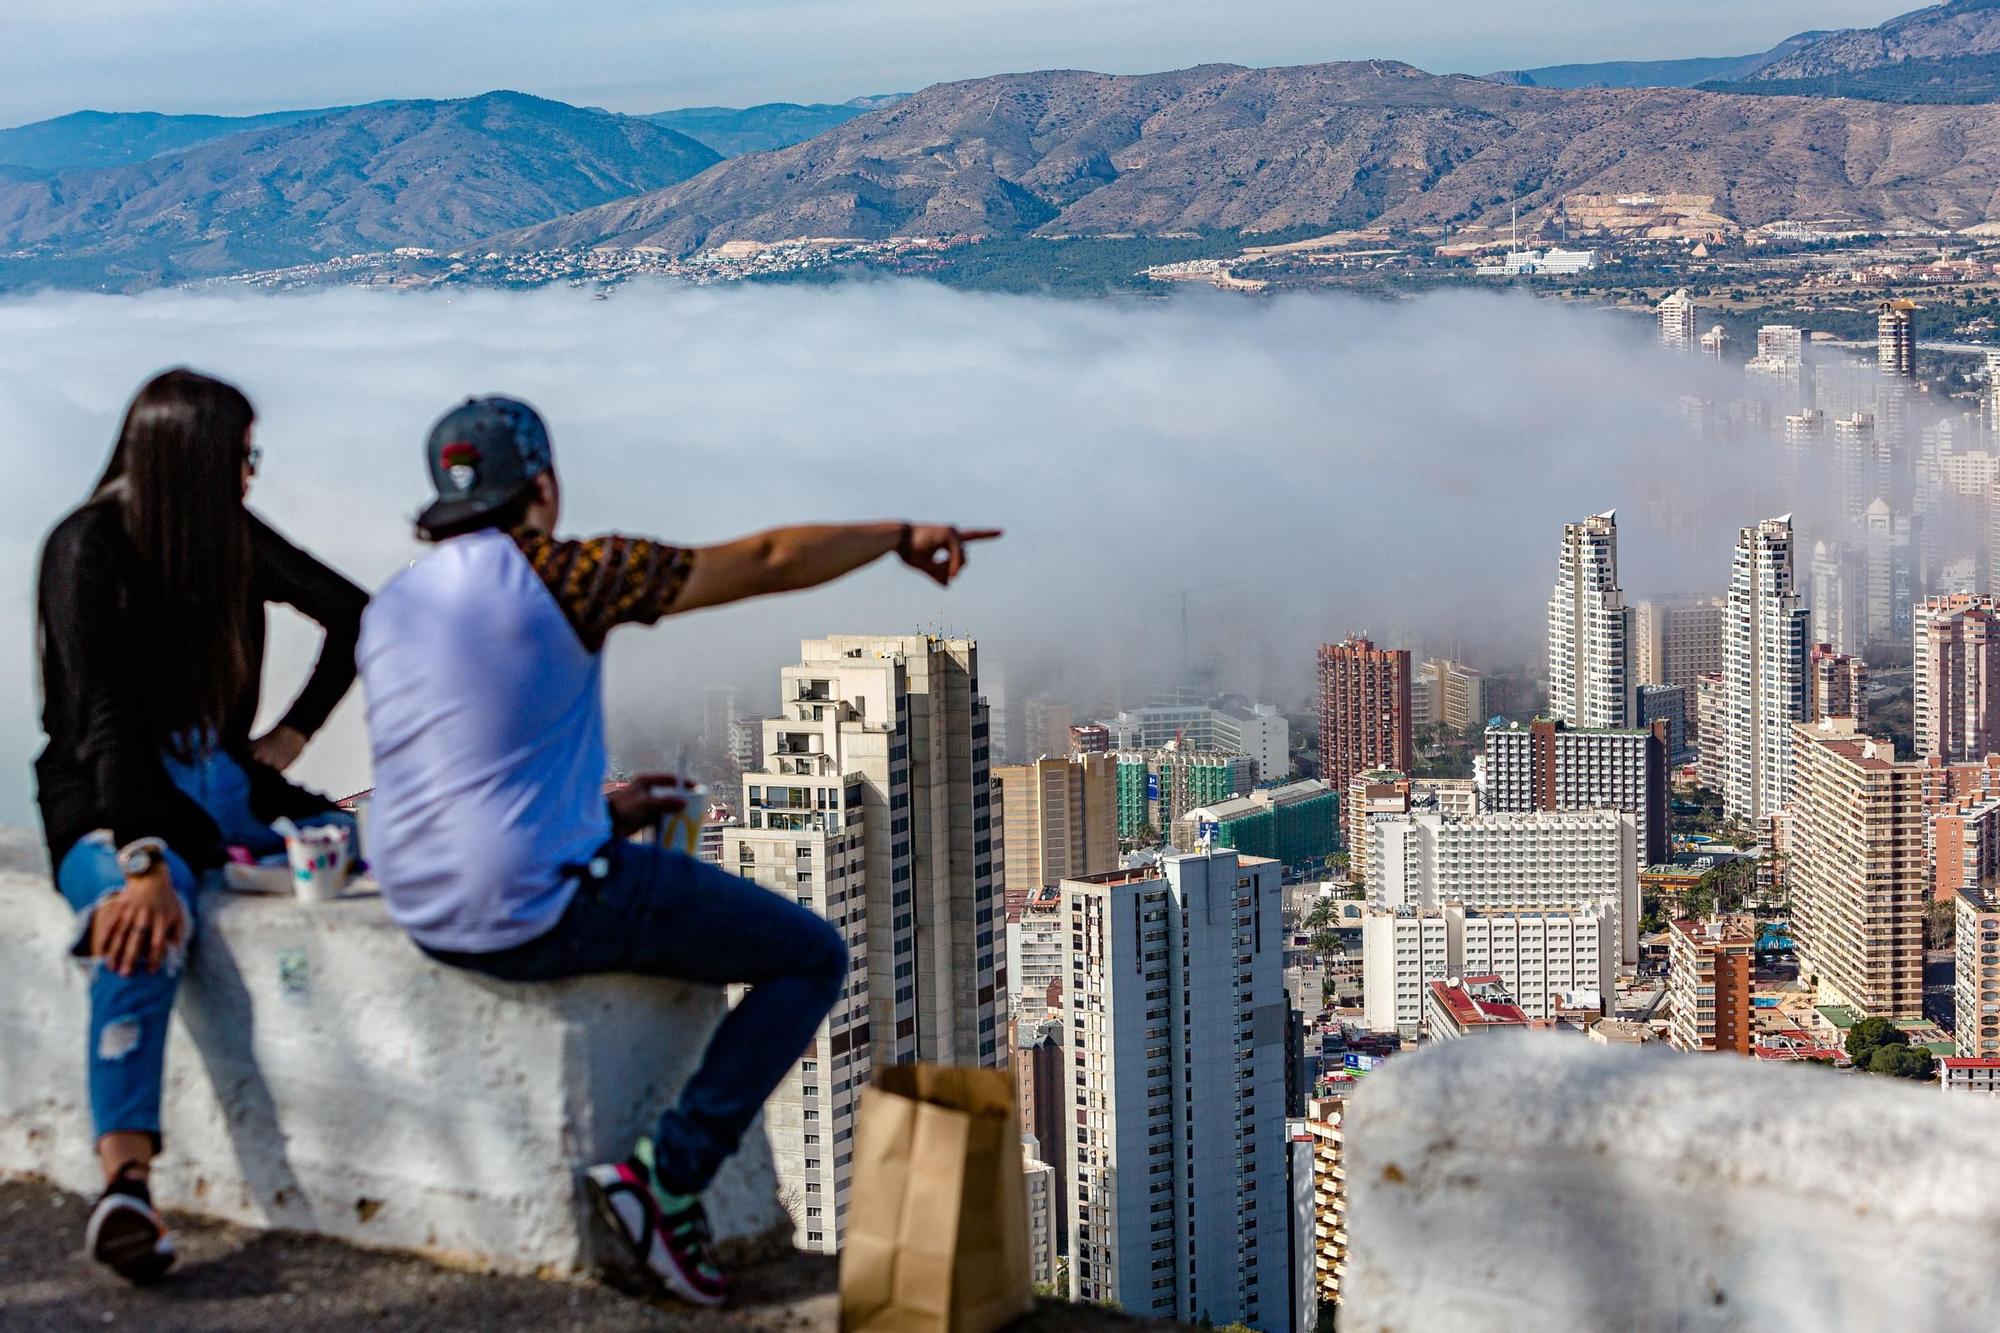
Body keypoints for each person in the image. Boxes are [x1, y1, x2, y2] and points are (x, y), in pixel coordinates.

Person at [358, 396, 997, 1307]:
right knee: (810, 955)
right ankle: (667, 1181)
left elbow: (465, 764)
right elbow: (768, 562)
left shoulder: (393, 602)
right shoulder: (570, 575)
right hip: (532, 907)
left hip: (419, 905)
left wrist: (599, 809)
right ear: (543, 484)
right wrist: (898, 533)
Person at [34, 369, 368, 1284]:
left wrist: (292, 736)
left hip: (226, 778)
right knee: (143, 925)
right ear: (191, 458)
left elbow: (355, 615)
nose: (250, 474)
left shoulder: (221, 536)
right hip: (113, 793)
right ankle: (126, 1185)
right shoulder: (88, 546)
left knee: (382, 848)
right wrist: (142, 856)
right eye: (239, 455)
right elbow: (102, 724)